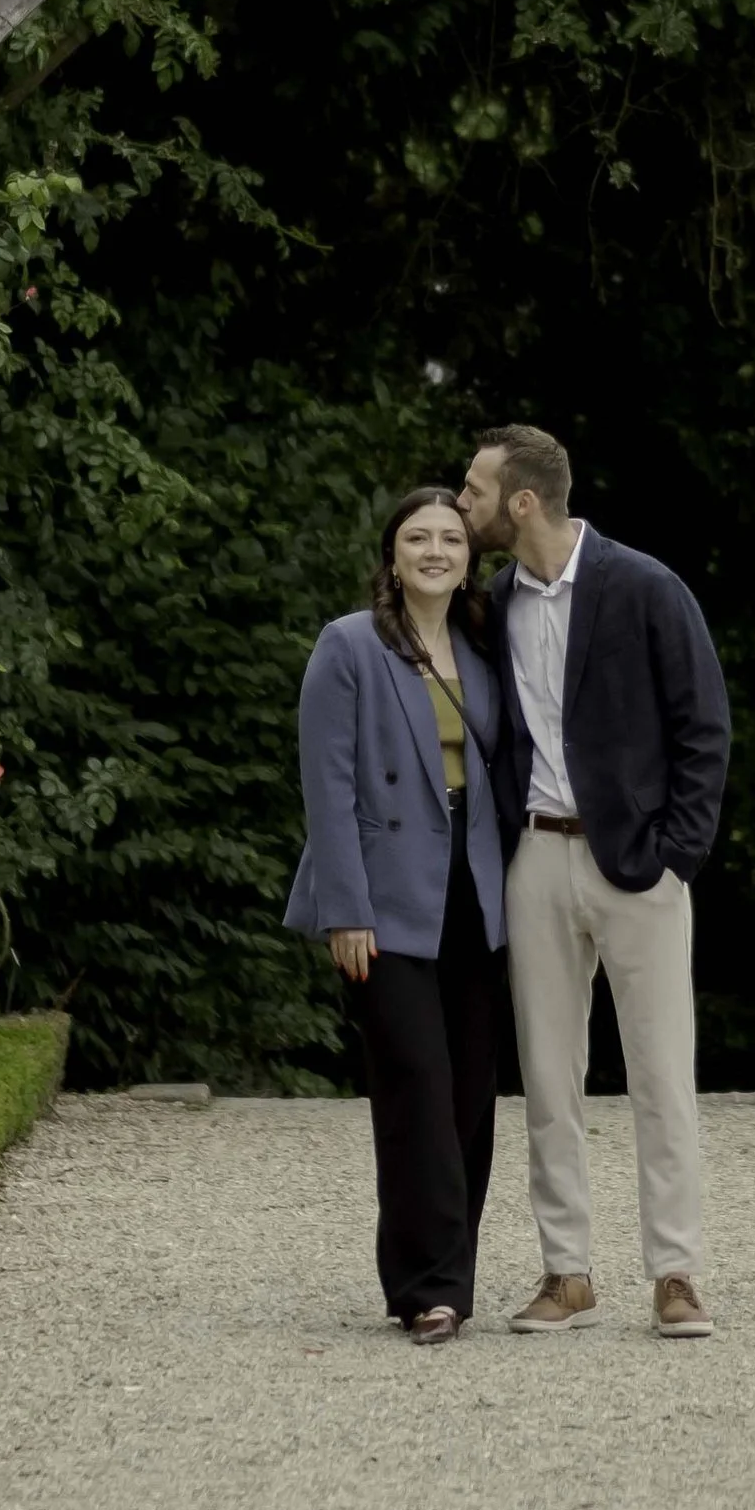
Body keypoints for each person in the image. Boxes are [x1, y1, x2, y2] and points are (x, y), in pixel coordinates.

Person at [459, 424, 731, 1339]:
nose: (463, 505)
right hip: (534, 858)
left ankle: (676, 1272)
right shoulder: (494, 603)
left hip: (638, 864)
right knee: (546, 1076)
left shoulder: (645, 586)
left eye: (475, 491)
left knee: (661, 1072)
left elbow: (704, 726)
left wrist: (677, 855)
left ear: (522, 501)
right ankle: (566, 1272)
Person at [284, 488, 509, 1345]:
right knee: (415, 1082)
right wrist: (346, 910)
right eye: (418, 537)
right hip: (383, 899)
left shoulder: (484, 648)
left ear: (469, 557)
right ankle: (430, 1289)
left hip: (474, 891)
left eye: (451, 537)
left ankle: (443, 1273)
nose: (435, 550)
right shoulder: (349, 644)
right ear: (392, 554)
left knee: (471, 1093)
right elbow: (328, 787)